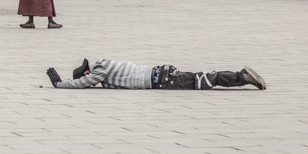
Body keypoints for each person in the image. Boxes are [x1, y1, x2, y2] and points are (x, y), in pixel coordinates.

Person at [46, 58, 266, 90]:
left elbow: (84, 83)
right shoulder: (106, 65)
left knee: (204, 81)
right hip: (160, 74)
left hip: (160, 79)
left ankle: (241, 76)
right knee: (200, 79)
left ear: (86, 72)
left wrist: (60, 84)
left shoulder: (99, 71)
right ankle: (240, 77)